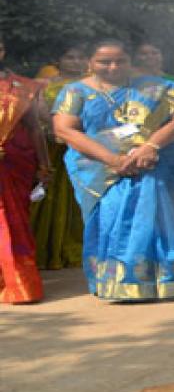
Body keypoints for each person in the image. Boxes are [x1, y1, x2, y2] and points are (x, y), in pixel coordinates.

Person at [53, 39, 174, 301]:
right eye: (104, 62)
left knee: (158, 215)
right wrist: (112, 159)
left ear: (131, 61)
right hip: (99, 169)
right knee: (112, 218)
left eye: (121, 61)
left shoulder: (157, 87)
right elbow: (64, 130)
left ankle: (168, 281)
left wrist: (150, 146)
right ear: (90, 63)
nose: (113, 67)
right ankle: (118, 282)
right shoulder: (75, 92)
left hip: (152, 162)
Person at [1, 35, 51, 303]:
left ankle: (20, 285)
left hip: (15, 162)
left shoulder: (23, 87)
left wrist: (44, 163)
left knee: (14, 221)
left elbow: (34, 127)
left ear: (3, 49)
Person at [29, 44, 87, 270]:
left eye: (80, 57)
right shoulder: (43, 84)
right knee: (49, 197)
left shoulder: (94, 85)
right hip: (52, 147)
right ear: (58, 60)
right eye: (70, 57)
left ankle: (78, 247)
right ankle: (44, 248)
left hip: (85, 148)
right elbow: (37, 115)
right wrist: (56, 132)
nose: (75, 62)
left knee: (78, 197)